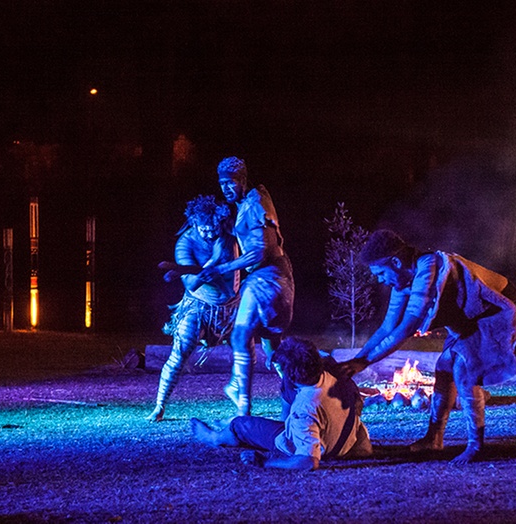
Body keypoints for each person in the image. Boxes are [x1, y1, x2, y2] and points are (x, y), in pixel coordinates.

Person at [340, 229, 516, 464]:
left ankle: (476, 445)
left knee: (463, 371)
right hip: (469, 322)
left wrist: (365, 362)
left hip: (498, 312)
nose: (379, 280)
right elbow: (388, 327)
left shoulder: (428, 269)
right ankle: (434, 439)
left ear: (396, 262)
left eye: (380, 272)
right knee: (444, 369)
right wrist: (357, 359)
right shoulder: (403, 283)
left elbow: (407, 328)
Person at [197, 157, 295, 417]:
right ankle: (294, 398)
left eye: (231, 183)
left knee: (240, 336)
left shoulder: (253, 204)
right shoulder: (250, 201)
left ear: (242, 181)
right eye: (222, 184)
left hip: (266, 278)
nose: (226, 188)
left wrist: (220, 269)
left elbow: (257, 253)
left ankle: (243, 410)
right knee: (270, 343)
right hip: (275, 277)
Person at [190, 337, 372, 470]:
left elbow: (309, 461)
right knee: (289, 394)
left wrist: (265, 462)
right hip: (347, 441)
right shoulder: (336, 372)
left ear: (291, 374)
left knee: (240, 424)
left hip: (324, 447)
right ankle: (283, 424)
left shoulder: (305, 410)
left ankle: (215, 438)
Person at [148, 195, 239, 422]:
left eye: (213, 229)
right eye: (204, 229)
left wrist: (217, 260)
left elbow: (237, 267)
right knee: (178, 354)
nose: (209, 233)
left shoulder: (227, 237)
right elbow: (191, 283)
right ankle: (160, 405)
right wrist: (211, 265)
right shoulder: (185, 243)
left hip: (232, 308)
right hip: (198, 306)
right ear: (194, 224)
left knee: (247, 351)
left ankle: (243, 400)